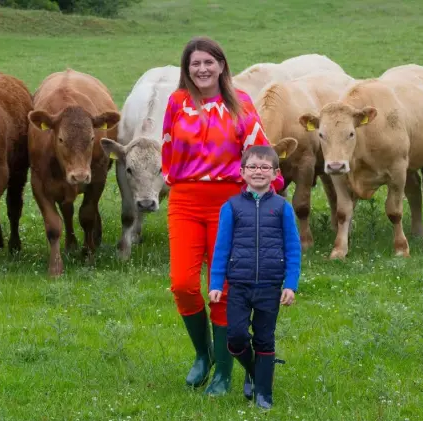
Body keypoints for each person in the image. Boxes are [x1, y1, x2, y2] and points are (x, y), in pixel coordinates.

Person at [161, 35, 285, 396]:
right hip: (184, 200)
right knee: (182, 283)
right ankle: (204, 354)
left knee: (225, 289)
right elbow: (167, 150)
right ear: (187, 69)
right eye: (194, 63)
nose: (202, 69)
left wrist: (269, 193)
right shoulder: (177, 103)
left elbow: (259, 150)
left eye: (208, 62)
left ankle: (224, 373)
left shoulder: (241, 104)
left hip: (230, 205)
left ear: (221, 65)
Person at [208, 145, 301, 409]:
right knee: (235, 337)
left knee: (264, 338)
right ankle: (253, 370)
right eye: (253, 167)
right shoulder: (231, 207)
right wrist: (216, 284)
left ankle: (263, 393)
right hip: (239, 285)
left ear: (275, 174)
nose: (258, 172)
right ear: (242, 172)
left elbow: (293, 248)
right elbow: (221, 248)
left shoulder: (282, 208)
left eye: (265, 167)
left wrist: (290, 284)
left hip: (270, 286)